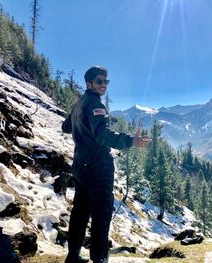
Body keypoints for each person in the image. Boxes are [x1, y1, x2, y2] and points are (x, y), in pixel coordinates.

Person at [62, 66, 151, 263]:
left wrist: (82, 131)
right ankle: (99, 259)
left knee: (80, 212)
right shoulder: (95, 104)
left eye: (106, 81)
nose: (104, 85)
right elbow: (102, 135)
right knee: (101, 216)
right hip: (98, 168)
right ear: (89, 84)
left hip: (80, 165)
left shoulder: (79, 104)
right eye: (99, 81)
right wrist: (131, 141)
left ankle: (73, 255)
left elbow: (66, 127)